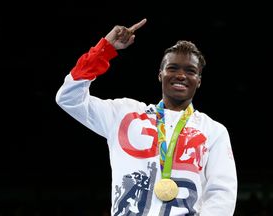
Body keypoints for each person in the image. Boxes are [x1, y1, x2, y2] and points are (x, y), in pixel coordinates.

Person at [55, 18, 238, 216]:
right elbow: (69, 98)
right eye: (173, 68)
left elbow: (221, 194)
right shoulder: (124, 115)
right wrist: (105, 49)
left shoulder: (213, 131)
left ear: (199, 81)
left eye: (190, 71)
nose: (181, 75)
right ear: (160, 74)